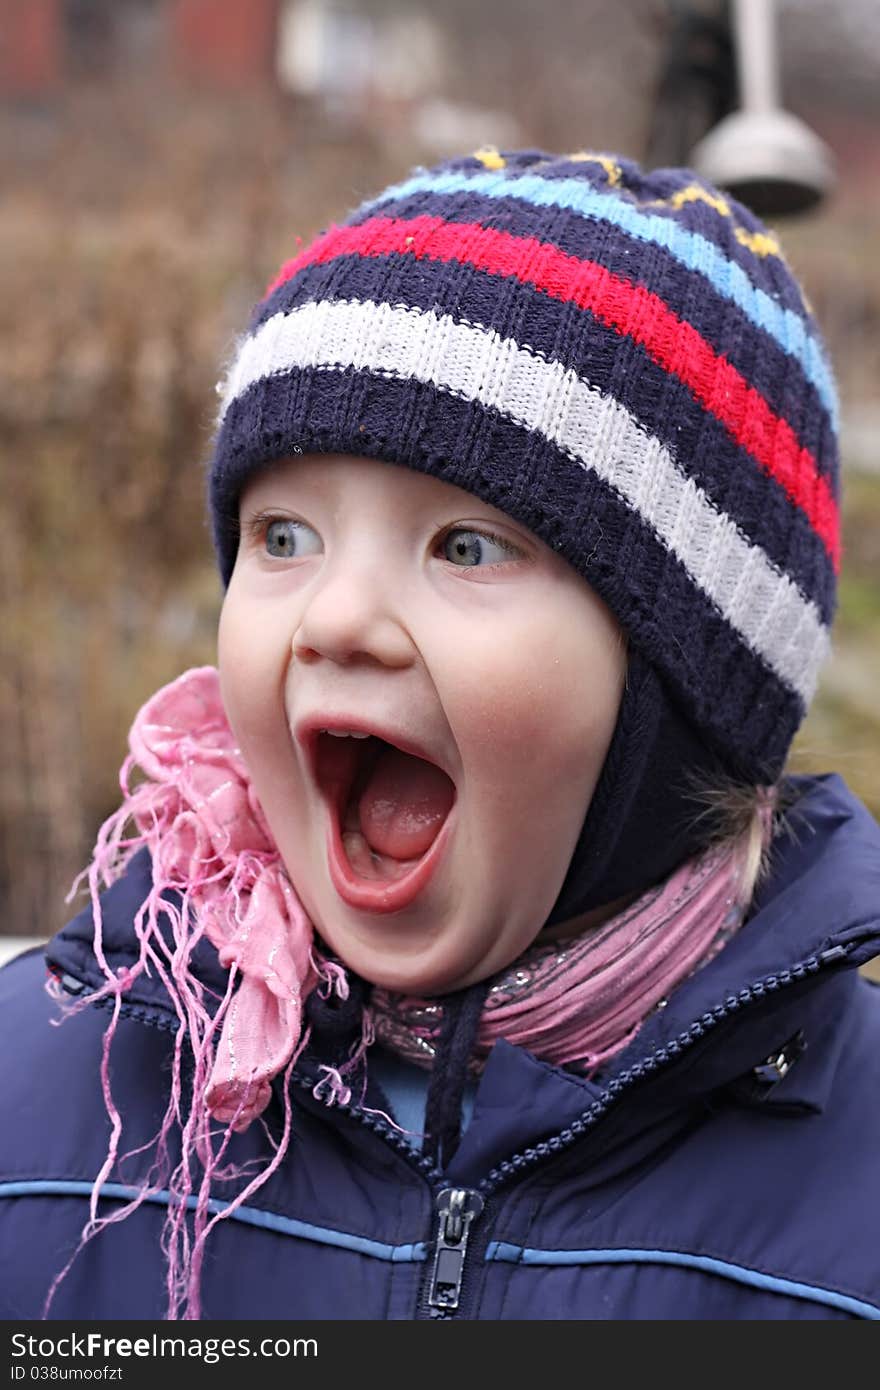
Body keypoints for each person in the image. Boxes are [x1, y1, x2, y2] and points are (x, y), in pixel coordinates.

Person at [1, 147, 879, 1322]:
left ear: (692, 682)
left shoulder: (847, 1203)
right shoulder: (56, 1092)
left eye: (465, 547)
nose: (338, 617)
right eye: (282, 537)